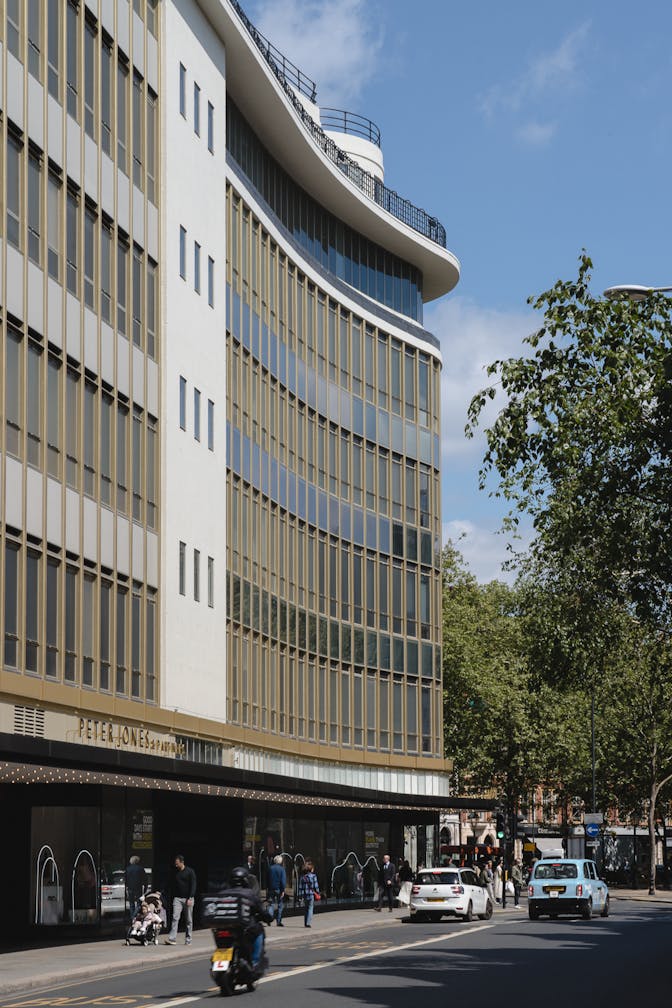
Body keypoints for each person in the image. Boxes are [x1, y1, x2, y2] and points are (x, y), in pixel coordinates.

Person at [213, 866, 271, 969]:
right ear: (245, 880)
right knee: (259, 932)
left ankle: (221, 964)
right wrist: (268, 917)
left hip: (225, 928)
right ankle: (254, 962)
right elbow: (261, 910)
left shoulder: (222, 894)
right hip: (246, 929)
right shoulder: (250, 894)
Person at [164, 854, 197, 945]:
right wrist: (161, 891)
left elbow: (193, 885)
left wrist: (190, 897)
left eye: (177, 863)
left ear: (182, 862)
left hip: (188, 899)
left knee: (189, 920)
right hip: (177, 899)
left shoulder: (190, 871)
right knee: (175, 917)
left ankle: (188, 939)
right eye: (175, 863)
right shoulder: (175, 872)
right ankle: (172, 938)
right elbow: (169, 883)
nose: (176, 865)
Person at [298, 859, 320, 928]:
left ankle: (305, 922)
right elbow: (316, 886)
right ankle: (308, 923)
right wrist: (318, 892)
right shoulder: (314, 876)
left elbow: (300, 887)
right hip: (311, 895)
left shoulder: (302, 877)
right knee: (310, 908)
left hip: (305, 895)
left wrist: (300, 896)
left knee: (306, 909)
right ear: (311, 869)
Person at [268, 854, 286, 926]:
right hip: (278, 889)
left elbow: (267, 879)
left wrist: (267, 888)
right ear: (280, 861)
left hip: (271, 889)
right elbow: (283, 881)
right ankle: (278, 921)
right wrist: (283, 890)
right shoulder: (282, 869)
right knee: (280, 905)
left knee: (271, 904)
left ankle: (269, 920)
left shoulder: (270, 868)